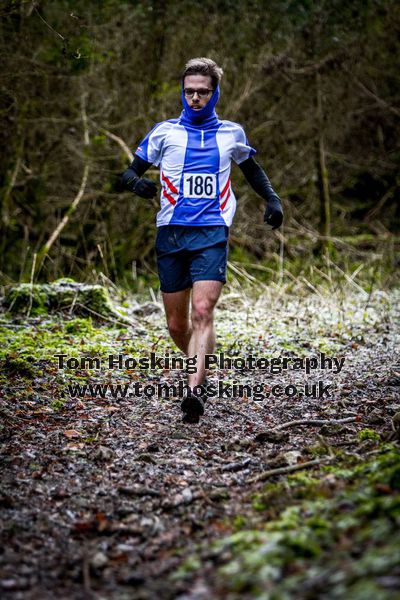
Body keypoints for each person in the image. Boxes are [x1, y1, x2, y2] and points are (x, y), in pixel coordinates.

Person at [121, 57, 283, 423]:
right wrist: (138, 184)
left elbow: (252, 169)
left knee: (202, 311)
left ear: (215, 94)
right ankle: (202, 359)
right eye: (189, 92)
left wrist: (273, 199)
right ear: (183, 92)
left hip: (212, 231)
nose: (195, 98)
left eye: (202, 92)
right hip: (171, 233)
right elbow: (128, 172)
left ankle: (194, 390)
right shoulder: (164, 132)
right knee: (178, 326)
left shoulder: (231, 133)